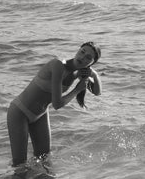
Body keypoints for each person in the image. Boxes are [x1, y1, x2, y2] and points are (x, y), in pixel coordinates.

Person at [7, 41, 102, 169]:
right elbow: (57, 104)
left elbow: (97, 92)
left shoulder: (79, 72)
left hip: (40, 115)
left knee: (44, 161)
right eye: (82, 52)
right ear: (78, 50)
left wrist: (94, 75)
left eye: (88, 58)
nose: (82, 57)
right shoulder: (58, 65)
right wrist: (76, 90)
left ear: (91, 63)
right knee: (20, 165)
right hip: (20, 112)